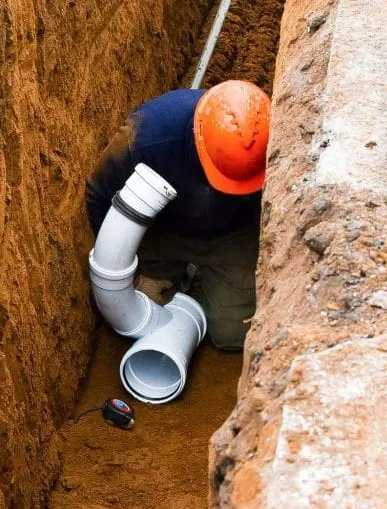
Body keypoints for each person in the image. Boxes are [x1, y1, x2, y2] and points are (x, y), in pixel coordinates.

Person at [85, 80, 271, 351]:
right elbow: (99, 194)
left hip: (234, 234)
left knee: (233, 333)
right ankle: (183, 274)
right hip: (164, 231)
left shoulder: (273, 143)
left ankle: (205, 277)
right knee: (144, 305)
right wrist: (133, 276)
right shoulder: (148, 138)